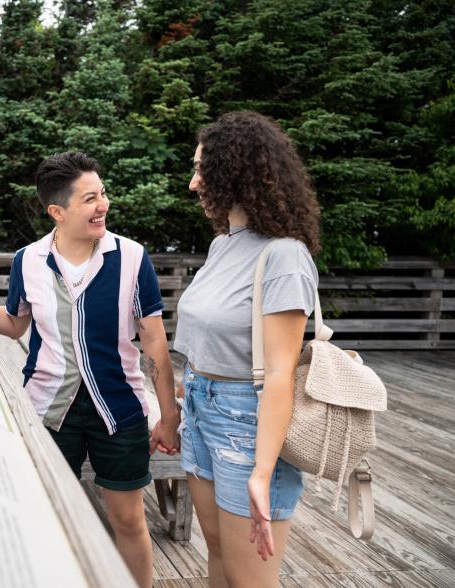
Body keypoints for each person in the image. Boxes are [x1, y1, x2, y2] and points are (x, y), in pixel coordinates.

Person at [0, 151, 180, 588]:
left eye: (102, 194)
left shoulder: (132, 257)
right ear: (57, 212)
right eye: (89, 199)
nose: (103, 205)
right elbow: (14, 324)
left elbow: (154, 340)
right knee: (46, 520)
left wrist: (169, 415)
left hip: (119, 410)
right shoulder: (28, 260)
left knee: (128, 521)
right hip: (47, 410)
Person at [169, 111, 321, 587]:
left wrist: (262, 471)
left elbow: (280, 373)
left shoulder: (284, 256)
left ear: (235, 173)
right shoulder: (223, 246)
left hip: (246, 423)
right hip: (200, 406)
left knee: (249, 577)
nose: (194, 184)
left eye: (202, 170)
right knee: (217, 553)